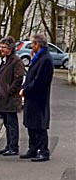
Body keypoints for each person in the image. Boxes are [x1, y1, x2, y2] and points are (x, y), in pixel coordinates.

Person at [19, 34, 54, 162]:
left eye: (32, 44)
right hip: (31, 97)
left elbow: (39, 81)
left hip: (39, 98)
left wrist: (26, 90)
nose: (31, 47)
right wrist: (24, 87)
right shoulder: (37, 57)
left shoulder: (45, 60)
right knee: (31, 124)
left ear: (38, 45)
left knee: (39, 125)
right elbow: (30, 76)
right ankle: (33, 148)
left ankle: (43, 151)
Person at [0, 36, 26, 156]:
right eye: (1, 46)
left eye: (4, 47)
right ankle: (8, 145)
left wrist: (9, 91)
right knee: (7, 123)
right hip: (3, 98)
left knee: (12, 124)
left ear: (10, 49)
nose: (1, 49)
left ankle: (13, 147)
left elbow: (18, 79)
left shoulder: (16, 62)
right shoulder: (5, 60)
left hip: (10, 98)